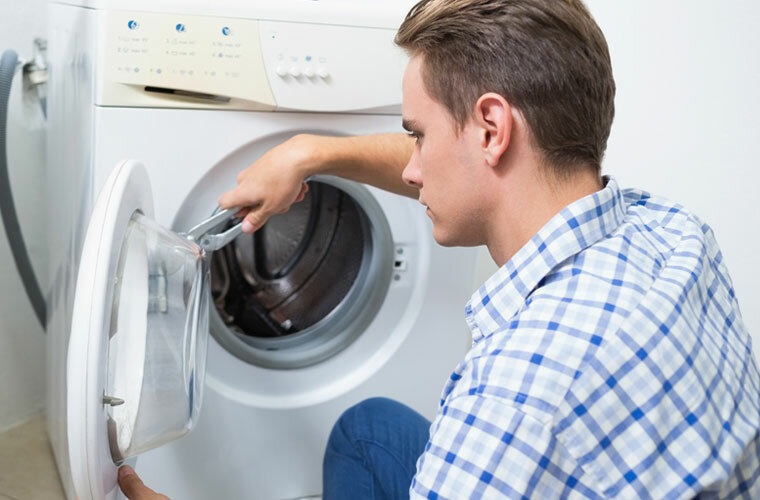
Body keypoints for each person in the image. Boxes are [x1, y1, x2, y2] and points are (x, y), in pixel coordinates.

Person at [119, 0, 760, 498]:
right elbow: (478, 169)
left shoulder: (514, 395)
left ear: (491, 129)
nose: (413, 168)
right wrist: (309, 152)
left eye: (418, 136)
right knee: (369, 430)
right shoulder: (673, 230)